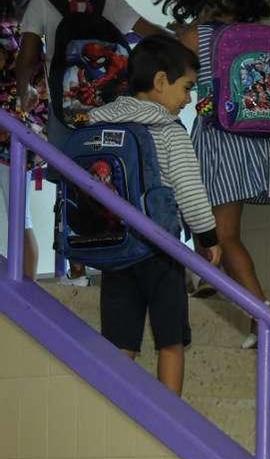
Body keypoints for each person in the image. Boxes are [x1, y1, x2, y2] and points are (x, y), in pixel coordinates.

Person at [155, 0, 270, 348]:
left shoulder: (195, 38)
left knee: (224, 235)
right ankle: (211, 280)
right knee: (214, 228)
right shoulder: (265, 37)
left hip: (220, 142)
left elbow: (165, 80)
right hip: (259, 146)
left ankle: (261, 317)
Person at [88, 34, 221, 396]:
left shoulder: (100, 123)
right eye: (187, 87)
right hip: (160, 249)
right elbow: (190, 190)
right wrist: (207, 239)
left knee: (119, 341)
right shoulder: (168, 129)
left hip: (113, 245)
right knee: (171, 340)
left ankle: (114, 414)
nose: (189, 99)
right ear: (161, 81)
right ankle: (170, 422)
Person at [15, 0, 166, 286]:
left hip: (66, 113)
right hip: (115, 114)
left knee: (71, 182)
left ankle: (78, 268)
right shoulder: (111, 3)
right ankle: (121, 260)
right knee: (117, 179)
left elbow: (26, 58)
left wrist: (26, 91)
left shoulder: (42, 4)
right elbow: (154, 36)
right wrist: (186, 39)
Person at [0, 16, 46, 279]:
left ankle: (27, 287)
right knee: (21, 217)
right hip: (25, 129)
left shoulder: (9, 32)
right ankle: (29, 288)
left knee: (20, 218)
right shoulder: (28, 28)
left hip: (11, 135)